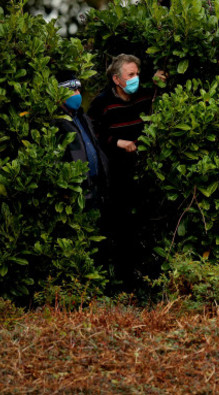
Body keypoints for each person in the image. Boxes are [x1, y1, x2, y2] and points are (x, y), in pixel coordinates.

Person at [87, 54, 166, 286]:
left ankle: (144, 278)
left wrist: (157, 81)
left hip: (143, 173)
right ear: (116, 79)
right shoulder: (102, 103)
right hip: (116, 177)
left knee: (143, 226)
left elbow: (155, 93)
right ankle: (121, 281)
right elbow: (94, 135)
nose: (135, 79)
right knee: (119, 229)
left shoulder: (142, 96)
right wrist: (117, 142)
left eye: (137, 74)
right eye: (130, 75)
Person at [56, 72, 109, 209]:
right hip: (77, 193)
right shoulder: (56, 122)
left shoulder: (81, 116)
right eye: (72, 90)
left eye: (78, 89)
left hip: (95, 188)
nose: (77, 94)